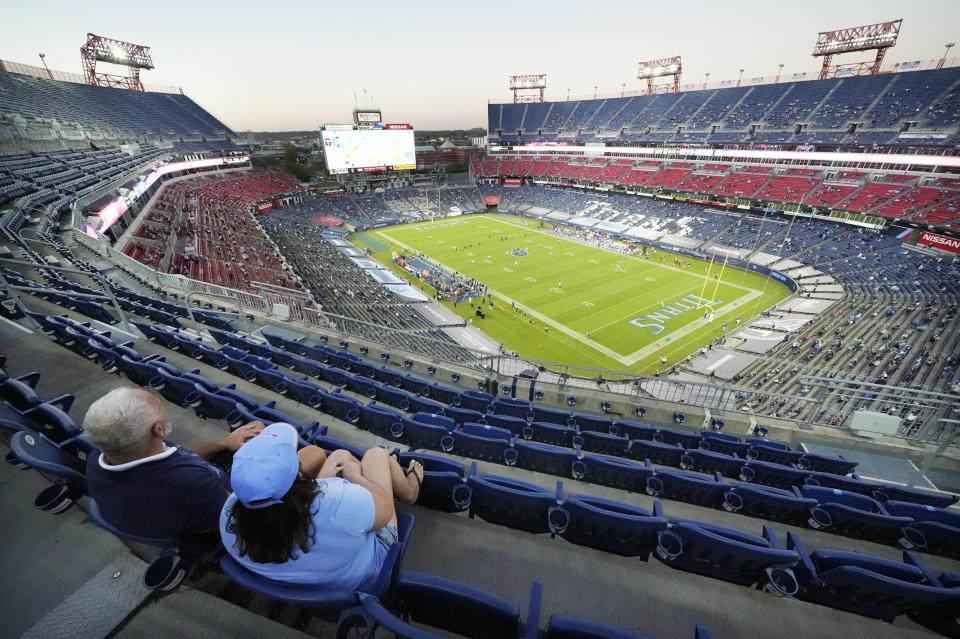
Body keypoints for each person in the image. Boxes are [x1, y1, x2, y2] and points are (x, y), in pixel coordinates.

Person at [220, 424, 423, 591]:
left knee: (340, 455)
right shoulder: (337, 502)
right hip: (363, 576)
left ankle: (381, 471)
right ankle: (410, 492)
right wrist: (355, 478)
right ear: (295, 477)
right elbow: (385, 509)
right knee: (376, 455)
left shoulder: (228, 517)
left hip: (306, 585)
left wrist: (323, 481)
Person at [82, 387, 264, 541]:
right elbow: (239, 519)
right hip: (228, 517)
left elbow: (177, 452)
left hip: (198, 498)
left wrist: (225, 443)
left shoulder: (104, 454)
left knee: (255, 434)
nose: (163, 409)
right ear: (158, 429)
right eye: (159, 406)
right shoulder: (189, 483)